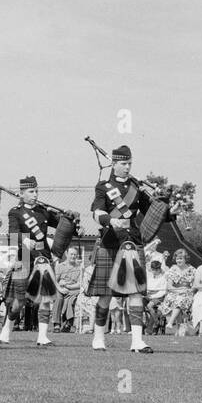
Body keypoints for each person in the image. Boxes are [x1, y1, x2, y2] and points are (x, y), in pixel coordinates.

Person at [85, 145, 159, 354]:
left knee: (135, 291)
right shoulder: (103, 186)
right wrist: (110, 220)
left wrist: (170, 209)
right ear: (114, 164)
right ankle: (98, 337)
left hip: (133, 242)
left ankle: (137, 342)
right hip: (111, 242)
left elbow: (152, 212)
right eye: (124, 164)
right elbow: (96, 212)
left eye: (130, 164)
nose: (127, 167)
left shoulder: (136, 187)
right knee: (106, 294)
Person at [1, 177, 71, 347]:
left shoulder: (43, 211)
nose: (35, 194)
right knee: (19, 301)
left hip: (43, 256)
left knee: (46, 298)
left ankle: (42, 337)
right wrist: (26, 241)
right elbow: (13, 234)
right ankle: (6, 330)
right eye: (31, 192)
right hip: (24, 256)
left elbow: (61, 224)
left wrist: (70, 219)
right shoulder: (15, 212)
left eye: (36, 191)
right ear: (22, 193)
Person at [54, 245, 83, 332]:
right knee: (59, 298)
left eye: (75, 255)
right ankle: (57, 324)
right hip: (60, 289)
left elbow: (79, 283)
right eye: (71, 254)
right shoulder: (59, 266)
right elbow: (55, 281)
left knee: (73, 300)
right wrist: (61, 289)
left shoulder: (79, 268)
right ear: (67, 254)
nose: (73, 256)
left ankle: (68, 323)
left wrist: (68, 287)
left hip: (73, 290)